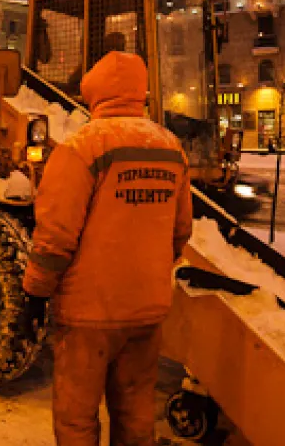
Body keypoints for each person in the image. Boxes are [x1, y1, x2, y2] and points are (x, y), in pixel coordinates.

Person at [21, 51, 193, 446]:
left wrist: (35, 293)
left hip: (88, 315)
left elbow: (55, 238)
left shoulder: (80, 149)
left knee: (76, 418)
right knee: (135, 411)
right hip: (147, 311)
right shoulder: (170, 148)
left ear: (94, 94)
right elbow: (181, 231)